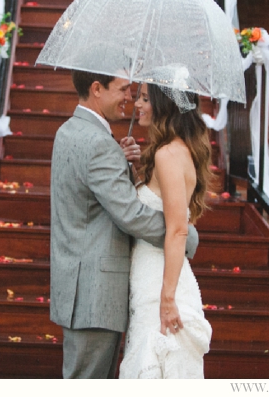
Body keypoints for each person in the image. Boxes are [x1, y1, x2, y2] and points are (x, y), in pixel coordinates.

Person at [49, 69, 200, 379]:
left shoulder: (70, 131)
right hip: (94, 294)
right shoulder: (98, 143)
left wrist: (124, 166)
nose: (130, 99)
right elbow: (130, 214)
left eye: (139, 94)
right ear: (96, 89)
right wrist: (184, 235)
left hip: (82, 287)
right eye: (124, 90)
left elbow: (94, 197)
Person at [118, 76, 213, 379]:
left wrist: (168, 298)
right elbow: (156, 205)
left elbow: (177, 230)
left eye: (145, 98)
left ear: (164, 104)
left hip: (160, 282)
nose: (137, 104)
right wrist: (135, 173)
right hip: (150, 277)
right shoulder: (168, 151)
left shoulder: (168, 154)